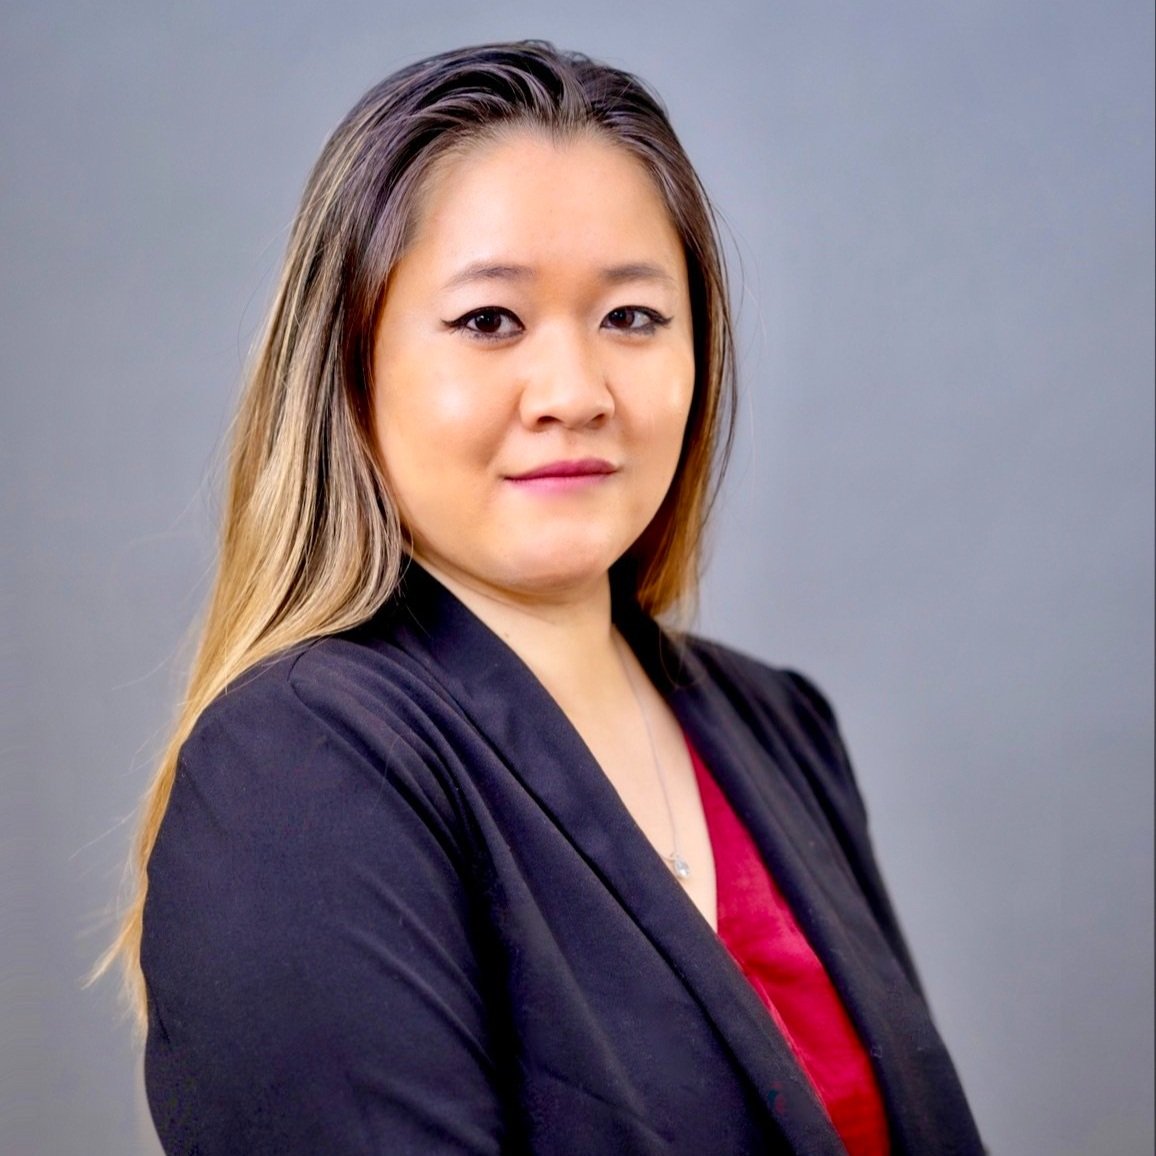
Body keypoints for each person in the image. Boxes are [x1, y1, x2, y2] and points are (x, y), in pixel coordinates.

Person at [109, 41, 984, 1155]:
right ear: (350, 365)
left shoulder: (779, 728)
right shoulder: (303, 763)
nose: (574, 394)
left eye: (631, 316)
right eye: (489, 321)